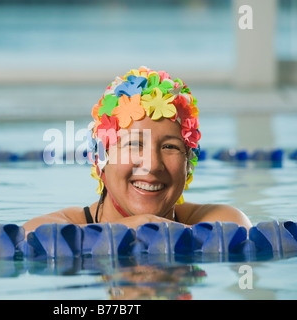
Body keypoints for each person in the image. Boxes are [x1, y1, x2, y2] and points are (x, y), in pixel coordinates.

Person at [23, 66, 252, 233]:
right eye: (133, 144)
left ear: (188, 164)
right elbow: (29, 233)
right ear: (101, 158)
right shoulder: (56, 229)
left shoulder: (222, 222)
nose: (152, 165)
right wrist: (132, 228)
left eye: (169, 146)